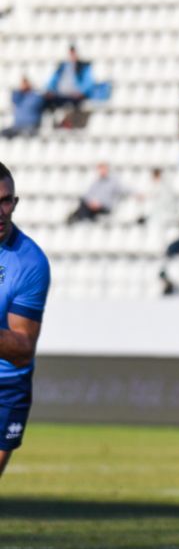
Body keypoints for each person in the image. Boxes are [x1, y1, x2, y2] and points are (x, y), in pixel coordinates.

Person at [0, 164, 50, 481]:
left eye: (5, 201)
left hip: (6, 386)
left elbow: (22, 348)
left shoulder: (30, 262)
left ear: (15, 204)